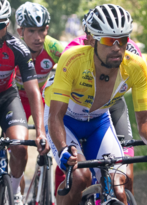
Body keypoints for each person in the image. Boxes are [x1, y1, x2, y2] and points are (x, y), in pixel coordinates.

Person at [44, 4, 147, 205]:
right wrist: (62, 149)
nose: (116, 47)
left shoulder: (135, 66)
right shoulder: (73, 60)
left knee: (119, 187)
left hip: (98, 122)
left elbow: (145, 119)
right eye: (108, 40)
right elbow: (55, 116)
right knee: (80, 178)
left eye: (122, 40)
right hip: (66, 121)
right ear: (91, 40)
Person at [0, 1, 49, 204]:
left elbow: (33, 91)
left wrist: (40, 131)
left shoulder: (18, 48)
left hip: (7, 97)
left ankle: (13, 193)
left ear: (8, 24)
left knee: (19, 147)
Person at [15, 1, 65, 121]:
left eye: (41, 30)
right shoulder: (13, 49)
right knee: (15, 138)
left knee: (51, 133)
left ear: (47, 29)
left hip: (41, 97)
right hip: (16, 98)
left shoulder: (54, 48)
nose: (37, 37)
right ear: (20, 31)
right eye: (31, 31)